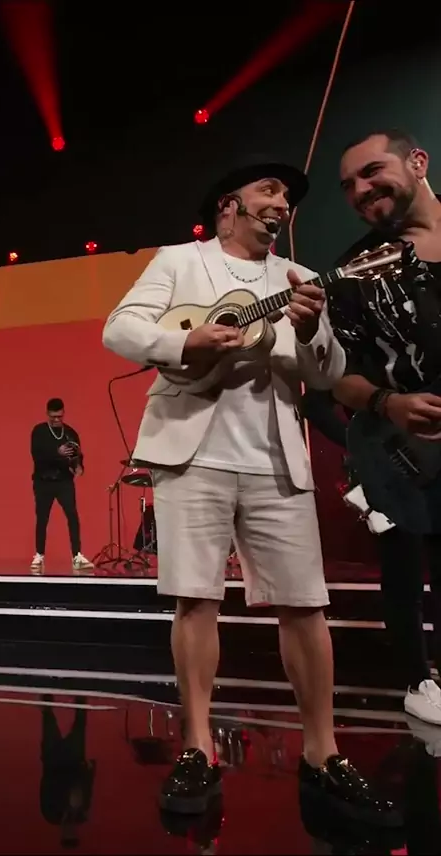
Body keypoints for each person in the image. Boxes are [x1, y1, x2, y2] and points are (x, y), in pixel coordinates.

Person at [103, 155, 397, 823]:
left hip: (274, 455)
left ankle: (322, 752)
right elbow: (120, 328)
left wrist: (310, 328)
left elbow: (326, 373)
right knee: (195, 600)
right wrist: (186, 345)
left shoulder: (298, 278)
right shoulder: (181, 261)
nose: (282, 201)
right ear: (227, 205)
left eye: (287, 196)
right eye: (269, 189)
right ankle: (198, 746)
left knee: (305, 605)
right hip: (192, 453)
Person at [327, 128, 441, 725]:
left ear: (417, 162)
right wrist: (389, 404)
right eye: (349, 185)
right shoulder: (353, 271)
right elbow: (336, 378)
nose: (361, 190)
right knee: (405, 565)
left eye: (372, 172)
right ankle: (420, 682)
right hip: (405, 451)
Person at [30, 398, 94, 574]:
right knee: (42, 518)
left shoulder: (70, 433)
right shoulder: (39, 431)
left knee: (72, 516)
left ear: (63, 413)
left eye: (59, 416)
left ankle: (77, 555)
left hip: (64, 481)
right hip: (43, 481)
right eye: (53, 417)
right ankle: (39, 555)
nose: (56, 420)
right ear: (47, 414)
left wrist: (79, 466)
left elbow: (77, 455)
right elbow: (37, 456)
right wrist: (57, 453)